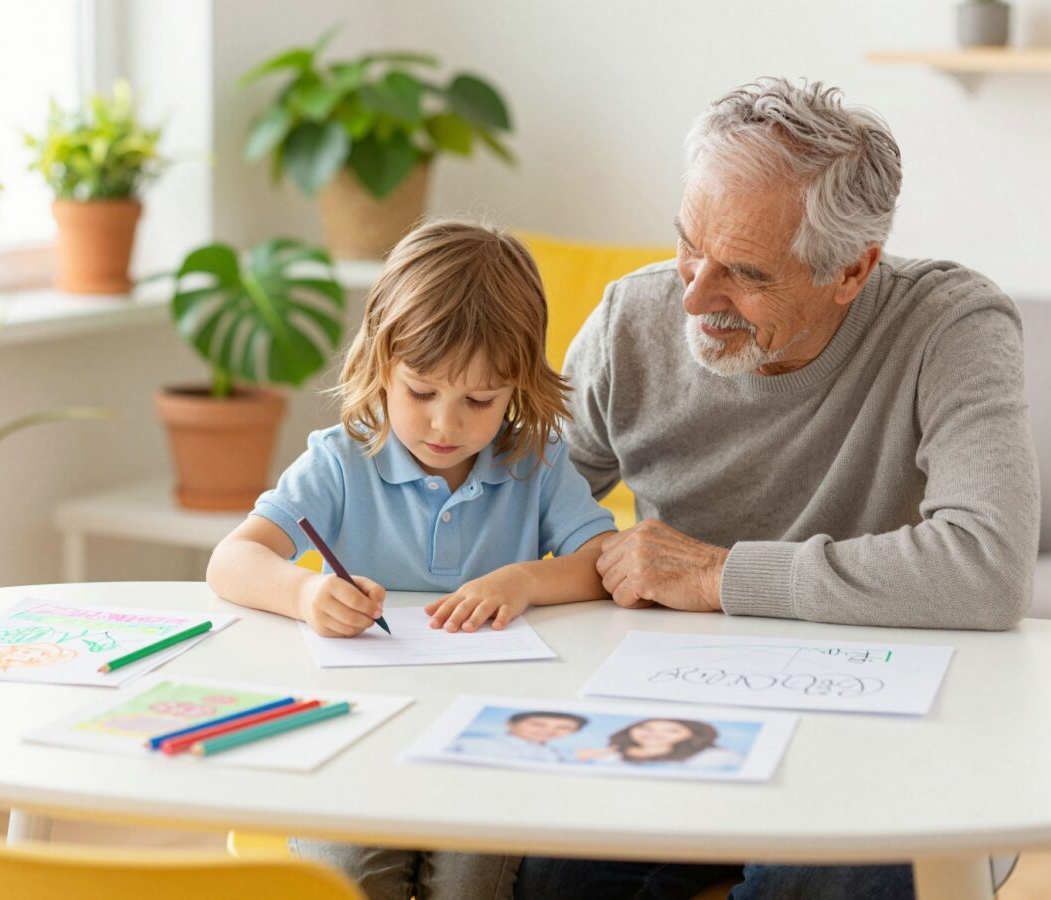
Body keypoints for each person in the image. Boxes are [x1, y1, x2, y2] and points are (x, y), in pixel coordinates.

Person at [516, 76, 1039, 900]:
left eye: (745, 273)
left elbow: (985, 565)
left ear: (852, 270)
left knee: (807, 885)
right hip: (676, 720)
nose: (693, 294)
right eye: (688, 243)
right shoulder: (632, 318)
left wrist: (717, 576)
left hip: (885, 732)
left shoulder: (952, 326)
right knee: (547, 880)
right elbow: (515, 509)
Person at [207, 219, 616, 900]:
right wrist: (306, 597)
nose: (444, 425)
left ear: (518, 386)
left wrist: (526, 579)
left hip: (492, 747)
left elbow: (606, 562)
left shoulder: (535, 463)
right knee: (352, 881)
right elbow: (234, 559)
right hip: (356, 738)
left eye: (480, 400)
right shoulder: (341, 459)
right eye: (421, 391)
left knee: (468, 887)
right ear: (379, 364)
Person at [575, 718, 743, 769]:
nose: (655, 734)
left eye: (672, 730)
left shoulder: (714, 757)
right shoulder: (607, 755)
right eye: (645, 727)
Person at [451, 710, 588, 763]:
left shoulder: (553, 753)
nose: (549, 731)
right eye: (538, 724)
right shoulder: (467, 744)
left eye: (563, 728)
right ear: (510, 724)